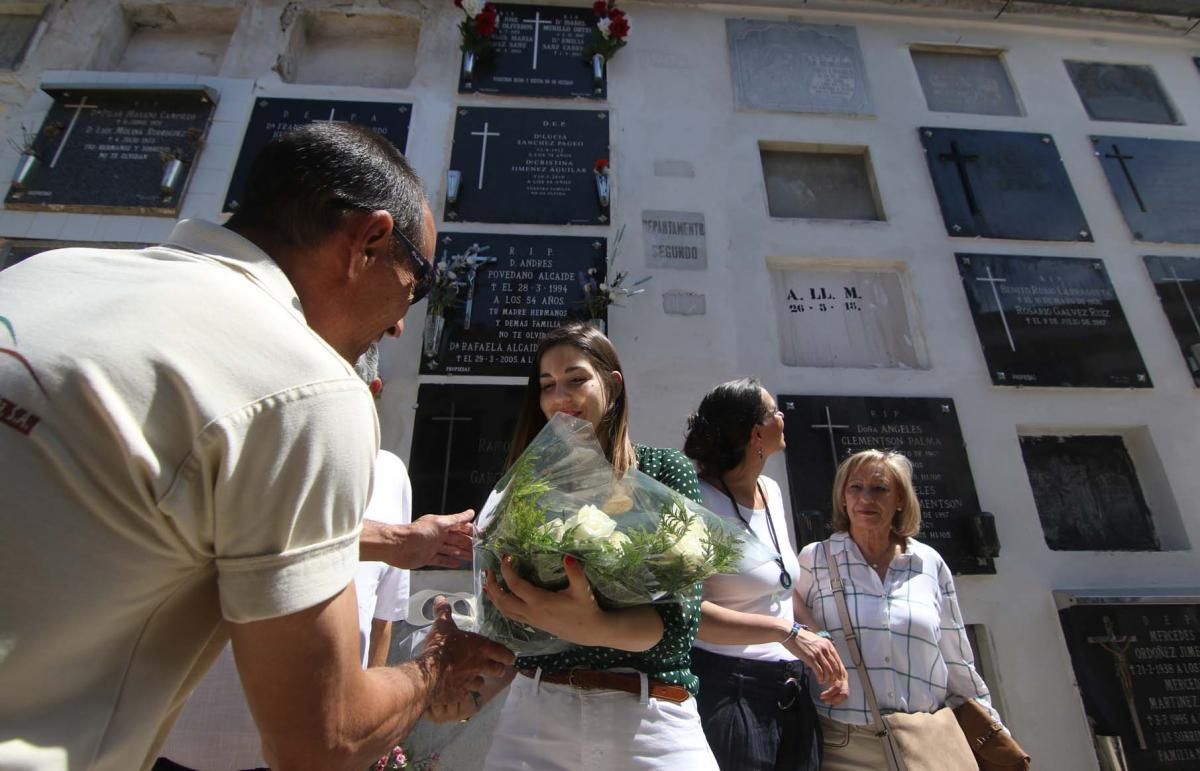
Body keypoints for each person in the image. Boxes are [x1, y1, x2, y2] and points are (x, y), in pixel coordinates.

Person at [0, 123, 513, 771]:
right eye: (418, 281)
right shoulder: (305, 386)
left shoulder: (46, 274)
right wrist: (437, 667)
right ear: (371, 240)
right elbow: (322, 741)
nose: (402, 319)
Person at [155, 342, 442, 770]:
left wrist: (368, 738)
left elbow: (381, 618)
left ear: (373, 390)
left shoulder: (390, 475)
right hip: (184, 745)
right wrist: (392, 540)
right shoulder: (234, 449)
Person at [472, 322, 719, 770]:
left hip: (650, 720)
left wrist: (587, 623)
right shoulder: (525, 486)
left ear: (613, 383)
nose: (560, 396)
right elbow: (507, 622)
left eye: (576, 379)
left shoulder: (666, 471)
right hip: (537, 716)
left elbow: (677, 629)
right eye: (546, 386)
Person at [795, 449, 1005, 770]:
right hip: (844, 743)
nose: (866, 498)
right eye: (855, 488)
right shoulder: (817, 559)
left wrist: (990, 730)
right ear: (843, 497)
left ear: (900, 500)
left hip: (926, 739)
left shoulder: (928, 563)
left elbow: (955, 658)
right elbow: (791, 625)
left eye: (879, 489)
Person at [682, 377, 847, 771]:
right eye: (774, 411)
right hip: (727, 691)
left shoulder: (770, 491)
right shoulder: (695, 501)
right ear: (757, 433)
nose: (783, 416)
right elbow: (690, 616)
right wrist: (786, 634)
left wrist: (820, 646)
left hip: (790, 689)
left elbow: (780, 586)